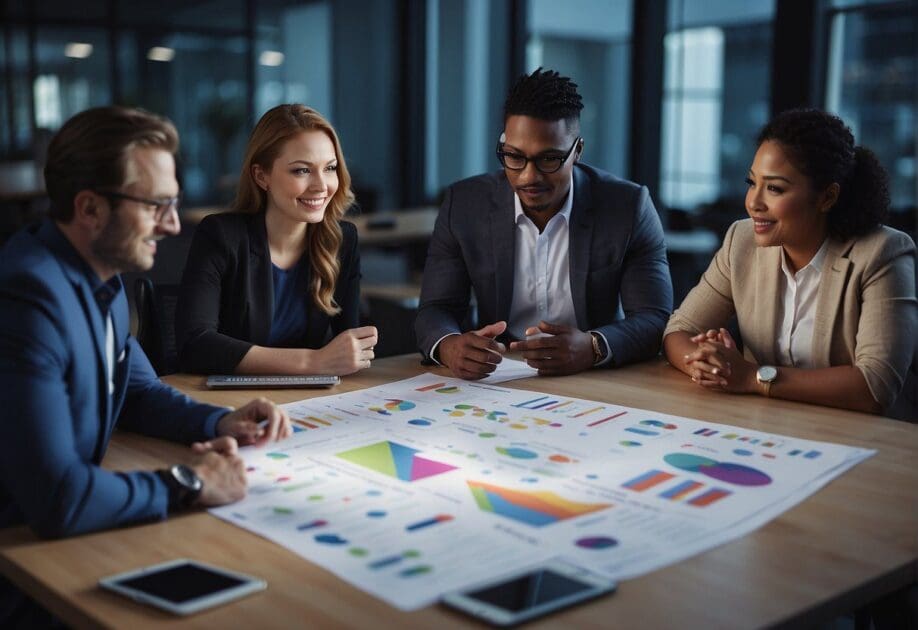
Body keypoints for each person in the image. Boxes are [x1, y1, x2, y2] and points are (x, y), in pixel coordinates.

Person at [0, 106, 291, 625]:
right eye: (157, 204)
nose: (174, 224)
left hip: (64, 546)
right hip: (24, 576)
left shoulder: (103, 278)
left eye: (174, 203)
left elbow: (136, 391)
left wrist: (218, 422)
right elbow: (56, 498)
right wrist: (189, 482)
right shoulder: (29, 298)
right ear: (89, 208)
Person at [415, 68, 672, 380]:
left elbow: (653, 318)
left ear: (577, 150)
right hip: (497, 377)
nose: (528, 176)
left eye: (549, 160)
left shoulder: (627, 207)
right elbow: (435, 309)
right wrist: (449, 345)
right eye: (514, 156)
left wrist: (593, 347)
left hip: (593, 375)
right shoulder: (464, 204)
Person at [663, 108, 917, 416]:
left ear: (827, 197)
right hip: (767, 426)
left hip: (863, 437)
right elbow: (679, 331)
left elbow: (875, 386)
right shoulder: (741, 241)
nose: (753, 202)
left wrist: (751, 377)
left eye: (774, 188)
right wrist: (711, 363)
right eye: (751, 182)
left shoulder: (882, 253)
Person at [175, 104, 377, 376]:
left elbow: (350, 344)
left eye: (330, 168)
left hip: (307, 400)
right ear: (262, 176)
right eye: (301, 171)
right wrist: (313, 362)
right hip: (233, 402)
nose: (321, 185)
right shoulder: (221, 236)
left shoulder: (342, 239)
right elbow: (195, 343)